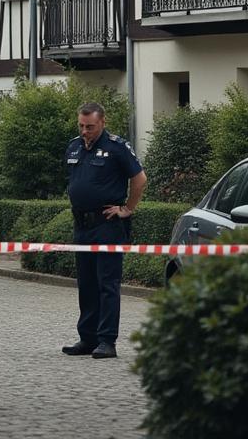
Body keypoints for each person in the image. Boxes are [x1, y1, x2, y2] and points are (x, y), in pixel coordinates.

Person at [62, 102, 147, 360]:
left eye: (90, 126)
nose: (85, 130)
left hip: (107, 225)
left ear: (102, 122)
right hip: (82, 225)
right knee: (86, 283)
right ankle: (87, 338)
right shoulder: (74, 146)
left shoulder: (116, 147)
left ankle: (107, 340)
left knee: (106, 284)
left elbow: (140, 179)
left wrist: (127, 208)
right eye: (81, 125)